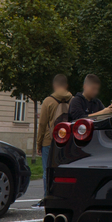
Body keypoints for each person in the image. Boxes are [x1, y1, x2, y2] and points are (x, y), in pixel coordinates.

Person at [33, 74, 73, 209]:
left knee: (47, 171)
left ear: (55, 85)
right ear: (66, 85)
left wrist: (38, 144)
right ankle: (64, 197)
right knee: (64, 171)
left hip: (49, 141)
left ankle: (47, 197)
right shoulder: (73, 100)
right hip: (66, 142)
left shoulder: (48, 101)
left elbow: (42, 125)